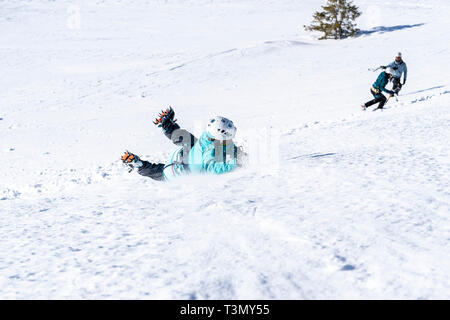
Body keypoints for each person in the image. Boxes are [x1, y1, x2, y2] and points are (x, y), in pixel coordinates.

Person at [121, 107, 246, 181]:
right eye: (230, 128)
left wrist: (237, 153)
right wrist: (236, 162)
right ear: (221, 133)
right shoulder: (210, 152)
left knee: (189, 141)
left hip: (183, 157)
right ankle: (140, 166)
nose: (233, 129)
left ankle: (168, 126)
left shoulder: (209, 136)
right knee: (164, 174)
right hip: (177, 172)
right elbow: (213, 169)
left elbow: (225, 145)